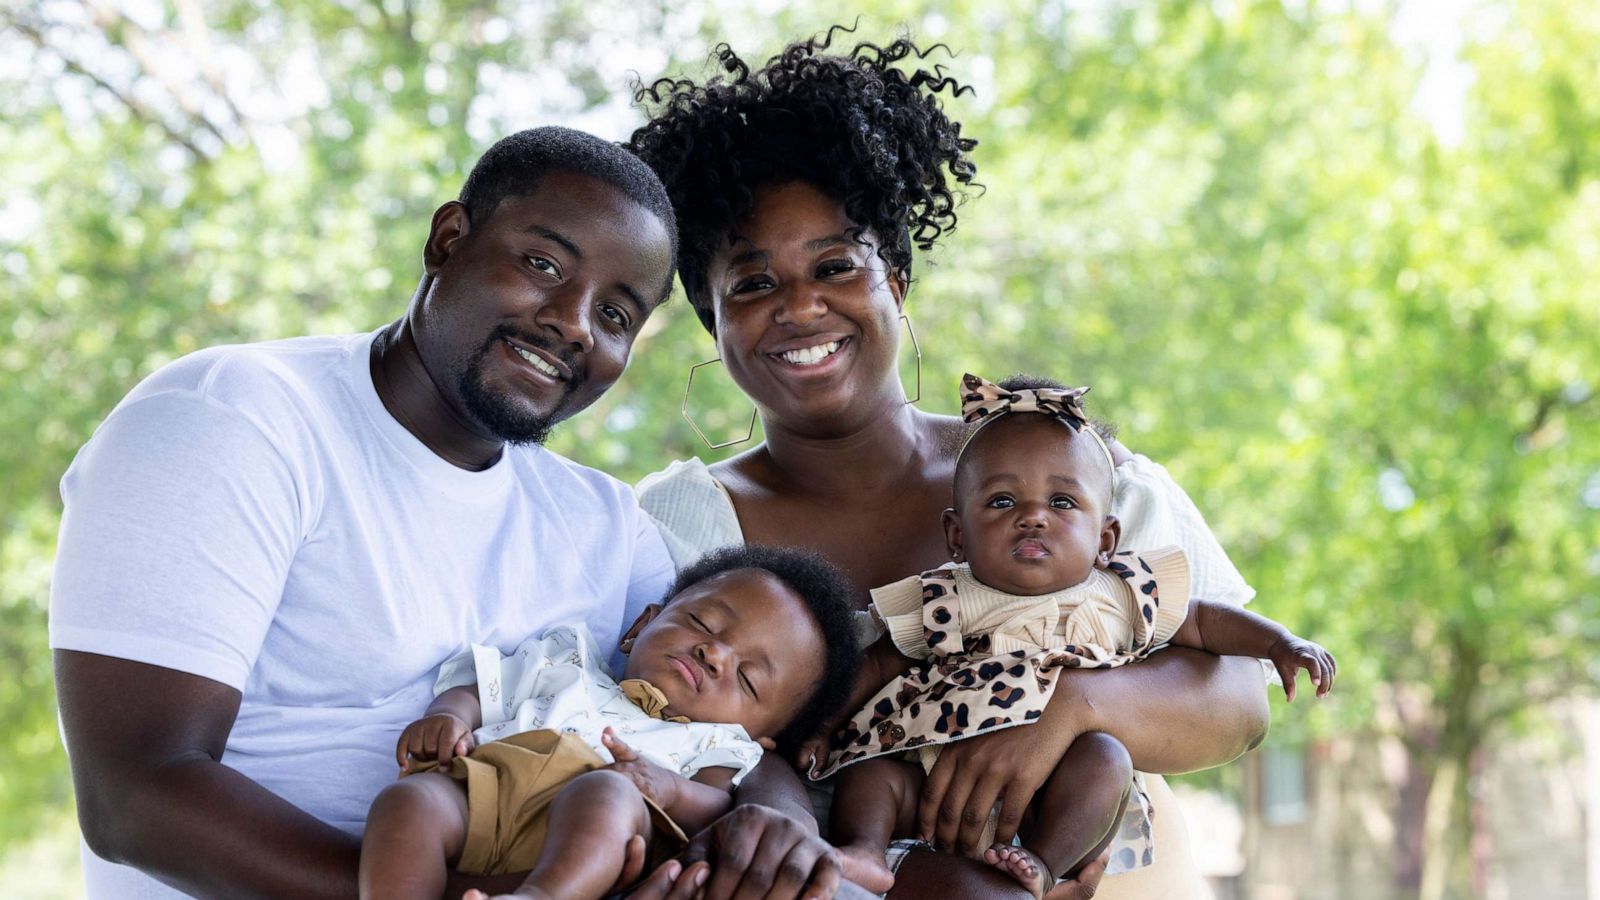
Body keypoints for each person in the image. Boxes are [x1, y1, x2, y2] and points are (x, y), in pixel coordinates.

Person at [50, 125, 843, 900]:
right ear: (449, 238)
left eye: (615, 316)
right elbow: (136, 798)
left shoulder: (603, 521)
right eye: (543, 264)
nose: (572, 323)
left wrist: (776, 823)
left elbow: (723, 720)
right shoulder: (234, 418)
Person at [630, 30, 1270, 899]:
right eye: (752, 284)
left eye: (835, 266)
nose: (800, 306)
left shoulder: (1066, 469)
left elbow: (1242, 703)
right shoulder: (672, 524)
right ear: (712, 322)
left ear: (894, 281)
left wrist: (1075, 708)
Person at [801, 374, 1336, 898]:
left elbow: (1203, 620)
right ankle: (867, 850)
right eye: (1002, 502)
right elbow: (877, 664)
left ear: (1106, 539)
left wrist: (1277, 643)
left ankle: (1042, 865)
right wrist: (823, 726)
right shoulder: (945, 598)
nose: (1033, 517)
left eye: (1062, 503)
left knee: (1106, 760)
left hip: (1054, 788)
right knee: (872, 774)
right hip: (930, 789)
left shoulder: (1121, 592)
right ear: (957, 536)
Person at [360, 545, 861, 900]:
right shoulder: (565, 661)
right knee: (408, 801)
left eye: (748, 679)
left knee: (607, 792)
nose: (715, 654)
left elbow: (717, 806)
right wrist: (449, 715)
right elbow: (484, 688)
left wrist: (666, 788)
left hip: (598, 833)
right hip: (488, 792)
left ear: (761, 735)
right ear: (640, 626)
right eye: (703, 625)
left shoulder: (719, 742)